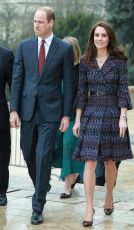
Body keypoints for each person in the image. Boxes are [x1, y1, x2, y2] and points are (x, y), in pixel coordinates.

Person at [10, 6, 74, 225]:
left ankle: (37, 206)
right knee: (28, 153)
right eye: (34, 21)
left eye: (40, 21)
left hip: (51, 111)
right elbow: (17, 80)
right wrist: (14, 109)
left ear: (51, 23)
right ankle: (42, 183)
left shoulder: (63, 49)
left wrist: (66, 115)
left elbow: (69, 84)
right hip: (27, 110)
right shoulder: (24, 46)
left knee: (43, 154)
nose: (35, 24)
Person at [73, 21, 134, 227]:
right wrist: (78, 119)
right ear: (92, 38)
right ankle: (89, 208)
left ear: (110, 38)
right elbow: (81, 92)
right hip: (91, 111)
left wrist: (123, 117)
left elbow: (123, 91)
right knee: (89, 161)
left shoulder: (119, 62)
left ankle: (109, 194)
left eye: (104, 35)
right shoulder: (85, 61)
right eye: (96, 35)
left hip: (112, 112)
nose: (99, 38)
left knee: (109, 160)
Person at [58, 37, 84, 199]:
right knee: (56, 150)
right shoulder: (55, 69)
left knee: (68, 147)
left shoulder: (81, 70)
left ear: (74, 51)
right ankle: (72, 176)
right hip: (55, 117)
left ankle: (67, 188)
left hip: (75, 117)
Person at [0, 46, 14, 206]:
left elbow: (13, 86)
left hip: (1, 114)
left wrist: (14, 111)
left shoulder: (6, 55)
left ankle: (1, 191)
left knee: (2, 155)